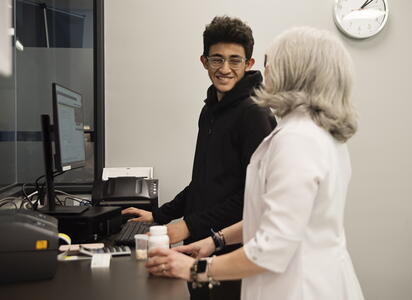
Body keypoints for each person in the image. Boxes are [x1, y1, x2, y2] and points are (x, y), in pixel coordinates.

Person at [145, 26, 365, 300]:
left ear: (296, 70)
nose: (264, 69)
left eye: (271, 61)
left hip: (300, 288)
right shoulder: (316, 132)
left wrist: (196, 268)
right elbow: (273, 218)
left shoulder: (298, 140)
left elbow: (273, 246)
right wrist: (216, 240)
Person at [122, 16, 276, 300]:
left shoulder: (254, 114)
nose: (225, 69)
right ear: (204, 61)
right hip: (202, 245)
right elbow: (204, 181)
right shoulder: (210, 111)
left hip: (232, 254)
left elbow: (253, 196)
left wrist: (187, 225)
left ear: (249, 63)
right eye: (217, 60)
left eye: (235, 60)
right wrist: (160, 214)